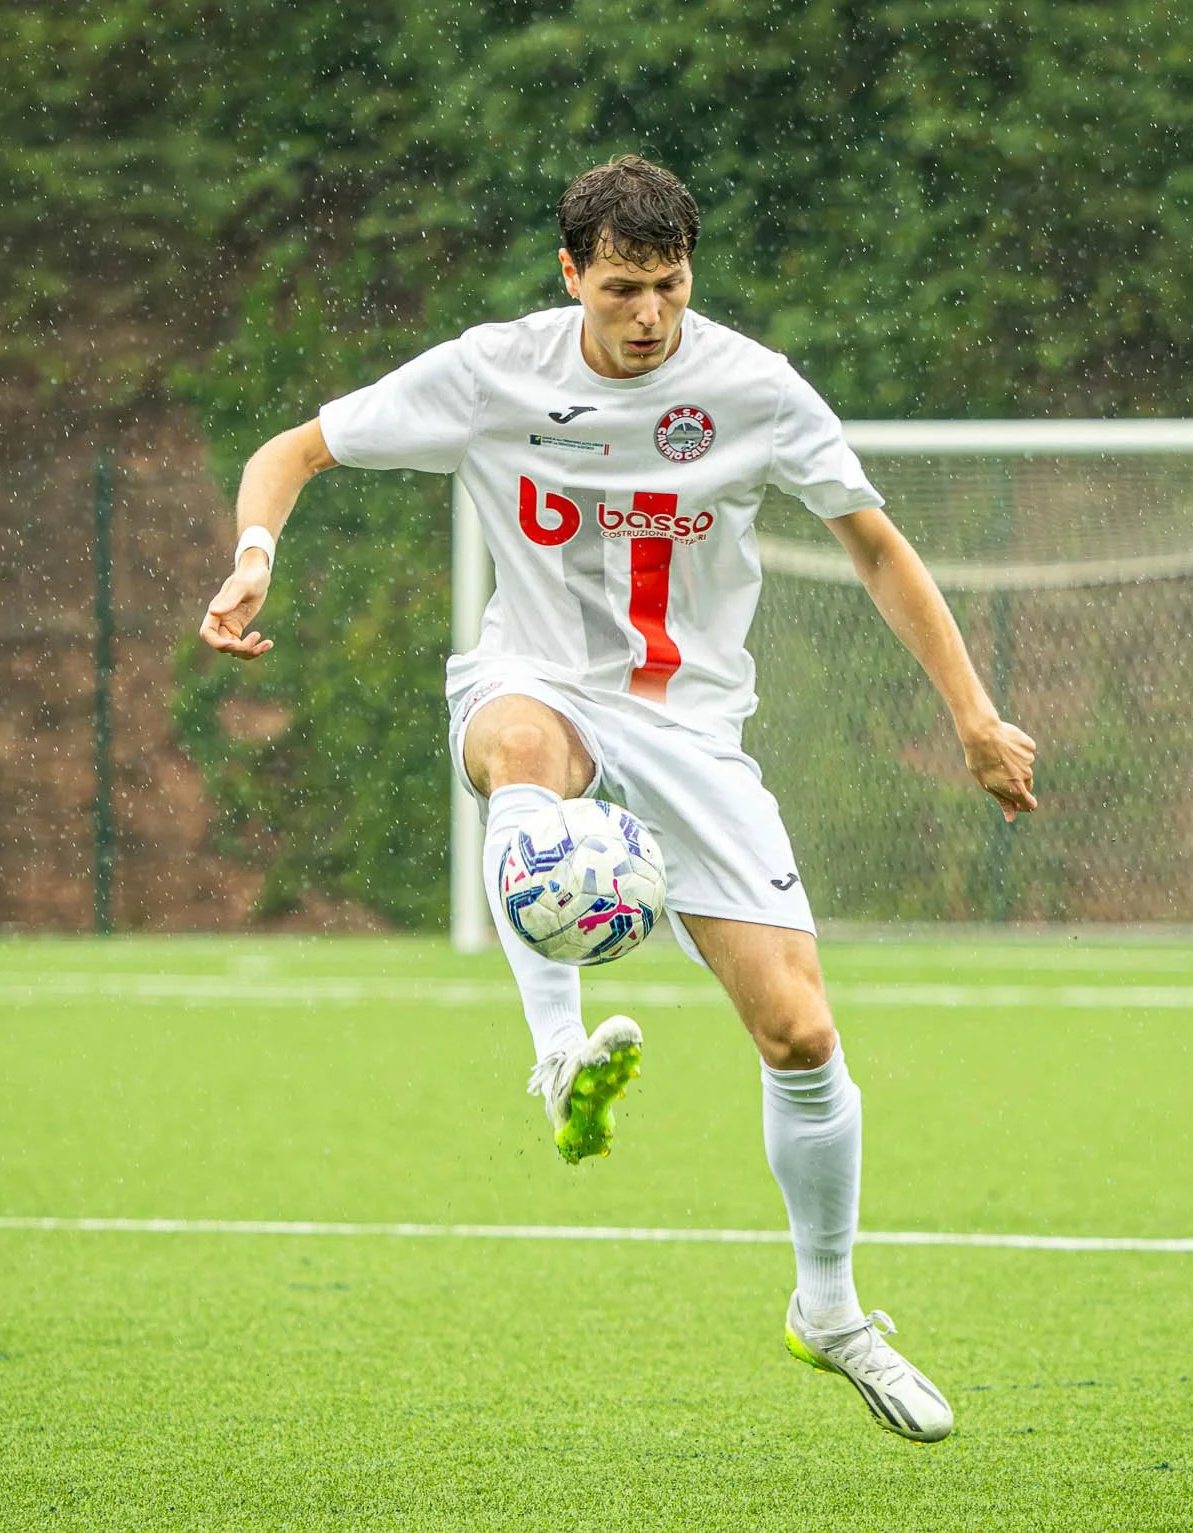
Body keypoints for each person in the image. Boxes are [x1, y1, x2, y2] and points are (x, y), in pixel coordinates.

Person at [197, 156, 1036, 1440]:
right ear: (570, 273)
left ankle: (829, 1311)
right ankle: (553, 1048)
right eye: (624, 288)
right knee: (522, 755)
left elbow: (872, 541)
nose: (649, 315)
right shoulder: (493, 371)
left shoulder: (753, 390)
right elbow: (292, 450)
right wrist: (253, 559)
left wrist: (973, 714)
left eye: (670, 285)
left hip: (693, 728)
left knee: (801, 1037)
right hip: (537, 679)